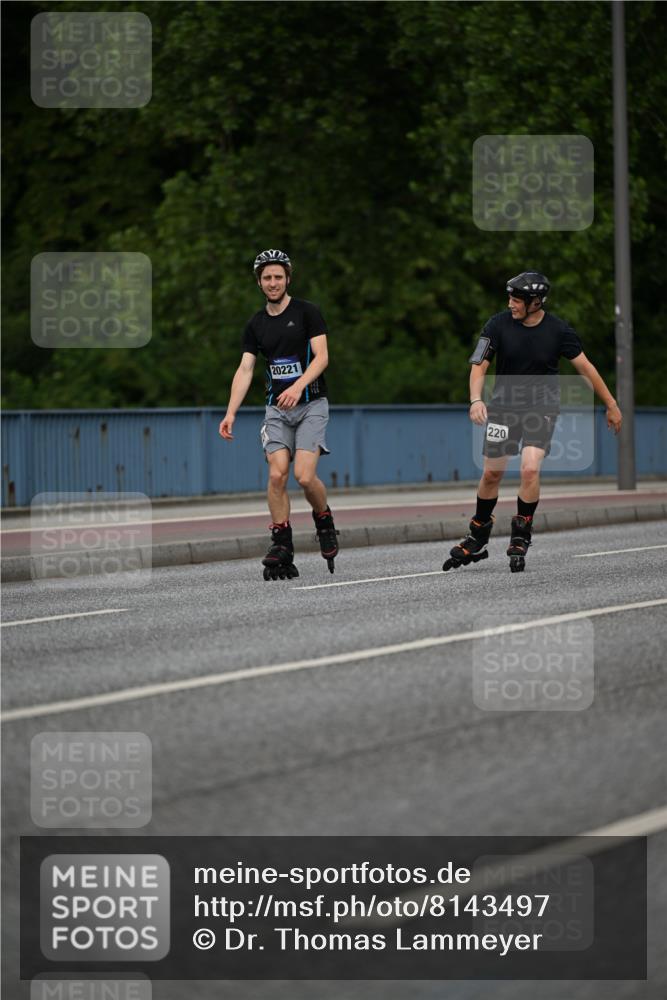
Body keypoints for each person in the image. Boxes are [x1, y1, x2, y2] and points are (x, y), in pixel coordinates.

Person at [443, 270, 623, 573]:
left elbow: (586, 368)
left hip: (542, 408)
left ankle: (520, 535)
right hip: (503, 410)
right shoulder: (497, 324)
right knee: (491, 474)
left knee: (529, 468)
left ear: (535, 302)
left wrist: (611, 404)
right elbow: (478, 365)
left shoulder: (559, 331)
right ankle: (478, 536)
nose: (511, 304)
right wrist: (476, 399)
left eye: (516, 300)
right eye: (510, 299)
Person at [219, 249, 339, 580]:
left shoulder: (307, 313)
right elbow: (245, 369)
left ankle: (323, 518)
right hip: (276, 410)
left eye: (278, 277)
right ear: (259, 282)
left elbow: (322, 357)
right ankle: (282, 542)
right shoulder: (255, 325)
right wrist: (230, 413)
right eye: (267, 278)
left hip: (312, 405)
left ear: (288, 278)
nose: (273, 283)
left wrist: (299, 386)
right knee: (276, 474)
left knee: (303, 475)